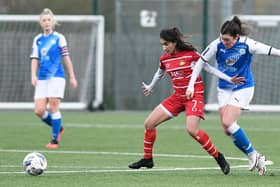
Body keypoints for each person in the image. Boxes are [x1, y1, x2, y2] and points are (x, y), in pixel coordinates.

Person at [128, 27, 244, 175]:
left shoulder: (191, 55)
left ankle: (218, 157)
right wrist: (151, 86)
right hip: (177, 97)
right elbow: (159, 73)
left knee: (192, 130)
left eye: (166, 44)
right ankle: (147, 159)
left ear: (174, 42)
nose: (164, 48)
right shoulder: (164, 58)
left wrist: (229, 79)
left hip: (194, 96)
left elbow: (209, 68)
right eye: (162, 45)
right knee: (149, 124)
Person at [185, 16, 280, 176]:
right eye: (223, 39)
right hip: (224, 89)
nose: (225, 43)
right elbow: (200, 62)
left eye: (228, 40)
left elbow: (272, 51)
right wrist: (190, 85)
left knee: (228, 121)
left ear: (237, 38)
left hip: (243, 87)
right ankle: (256, 156)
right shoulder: (217, 45)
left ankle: (253, 156)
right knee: (227, 129)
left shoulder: (248, 44)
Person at [30, 8, 78, 149]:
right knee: (39, 110)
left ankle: (54, 140)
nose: (46, 22)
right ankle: (59, 127)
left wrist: (72, 76)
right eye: (44, 20)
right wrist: (33, 75)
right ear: (40, 23)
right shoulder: (37, 40)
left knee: (53, 105)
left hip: (57, 76)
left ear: (53, 22)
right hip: (42, 78)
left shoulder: (59, 38)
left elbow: (66, 57)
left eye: (49, 20)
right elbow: (34, 59)